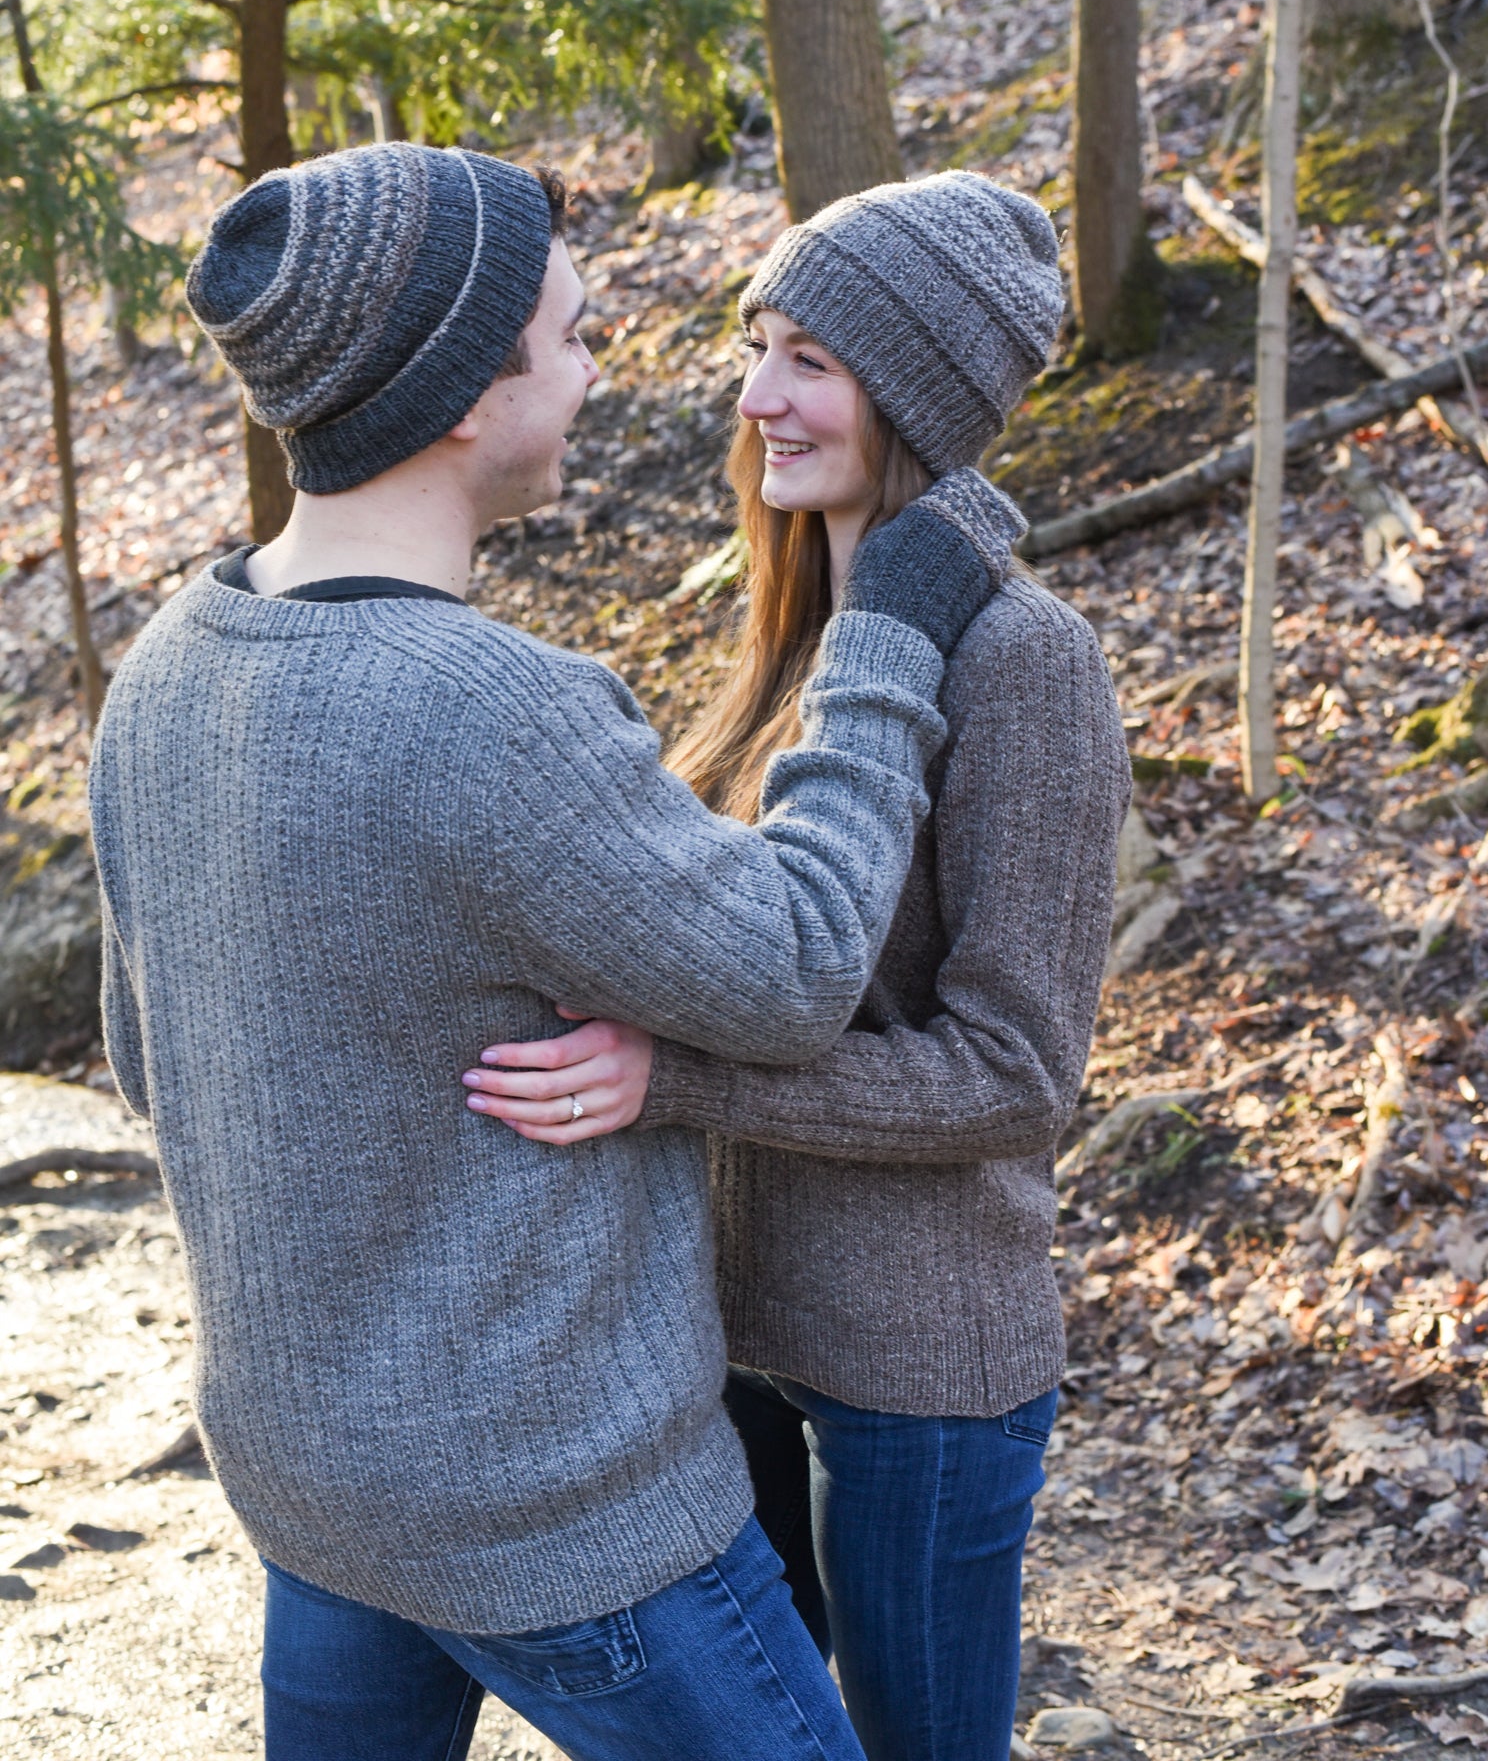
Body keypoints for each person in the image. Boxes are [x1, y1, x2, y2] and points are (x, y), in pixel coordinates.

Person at [88, 144, 1021, 1761]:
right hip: (569, 1526)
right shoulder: (491, 711)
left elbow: (144, 1061)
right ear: (466, 398)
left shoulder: (167, 665)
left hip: (315, 1493)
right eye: (576, 339)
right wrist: (881, 642)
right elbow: (800, 963)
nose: (600, 375)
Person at [462, 171, 1133, 1761]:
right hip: (728, 1336)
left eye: (811, 360)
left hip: (920, 1373)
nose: (757, 394)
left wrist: (670, 1077)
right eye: (760, 344)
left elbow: (1019, 1074)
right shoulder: (797, 628)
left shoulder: (1029, 660)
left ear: (916, 392)